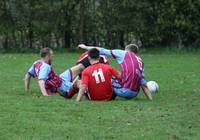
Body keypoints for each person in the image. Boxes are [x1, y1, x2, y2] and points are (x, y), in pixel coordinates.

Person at [78, 44, 153, 100]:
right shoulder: (141, 61)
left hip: (123, 91)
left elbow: (102, 50)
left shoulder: (123, 53)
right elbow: (143, 84)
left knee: (104, 75)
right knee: (117, 75)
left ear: (126, 50)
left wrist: (86, 47)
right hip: (134, 93)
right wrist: (150, 99)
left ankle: (97, 95)